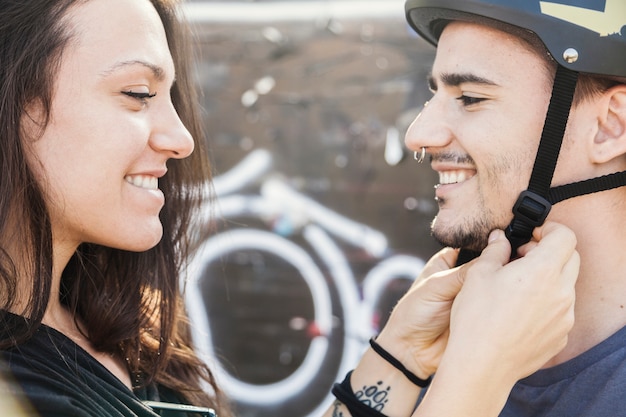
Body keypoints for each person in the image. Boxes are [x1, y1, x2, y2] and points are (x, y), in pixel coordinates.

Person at [325, 0, 626, 416]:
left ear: (612, 125)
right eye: (435, 94)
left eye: (469, 97)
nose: (419, 134)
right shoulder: (436, 347)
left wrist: (478, 374)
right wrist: (401, 357)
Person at [0, 0, 231, 416]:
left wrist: (388, 359)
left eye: (169, 97)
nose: (182, 139)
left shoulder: (125, 331)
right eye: (138, 94)